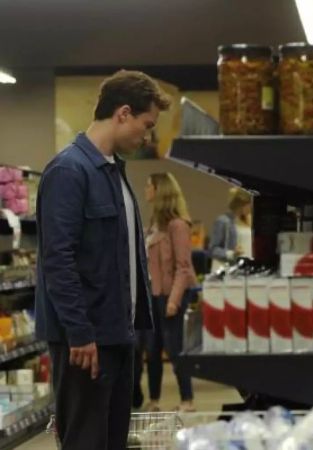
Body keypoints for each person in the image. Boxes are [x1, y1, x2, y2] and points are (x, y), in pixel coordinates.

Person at [35, 70, 169, 449]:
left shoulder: (113, 173)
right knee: (85, 442)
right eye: (146, 125)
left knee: (111, 442)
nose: (147, 137)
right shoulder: (69, 171)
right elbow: (57, 260)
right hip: (85, 344)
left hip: (116, 337)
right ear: (122, 113)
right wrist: (80, 332)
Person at [137, 172, 197, 412]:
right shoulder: (153, 224)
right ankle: (154, 399)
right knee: (151, 350)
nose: (145, 190)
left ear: (159, 190)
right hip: (153, 296)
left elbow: (183, 267)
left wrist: (173, 301)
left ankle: (187, 399)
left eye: (148, 186)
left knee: (174, 349)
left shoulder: (178, 225)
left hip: (172, 296)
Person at [209, 187, 252, 272]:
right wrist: (231, 254)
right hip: (229, 270)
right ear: (242, 204)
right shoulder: (223, 221)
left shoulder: (249, 221)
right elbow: (213, 249)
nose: (250, 207)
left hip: (246, 270)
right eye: (249, 204)